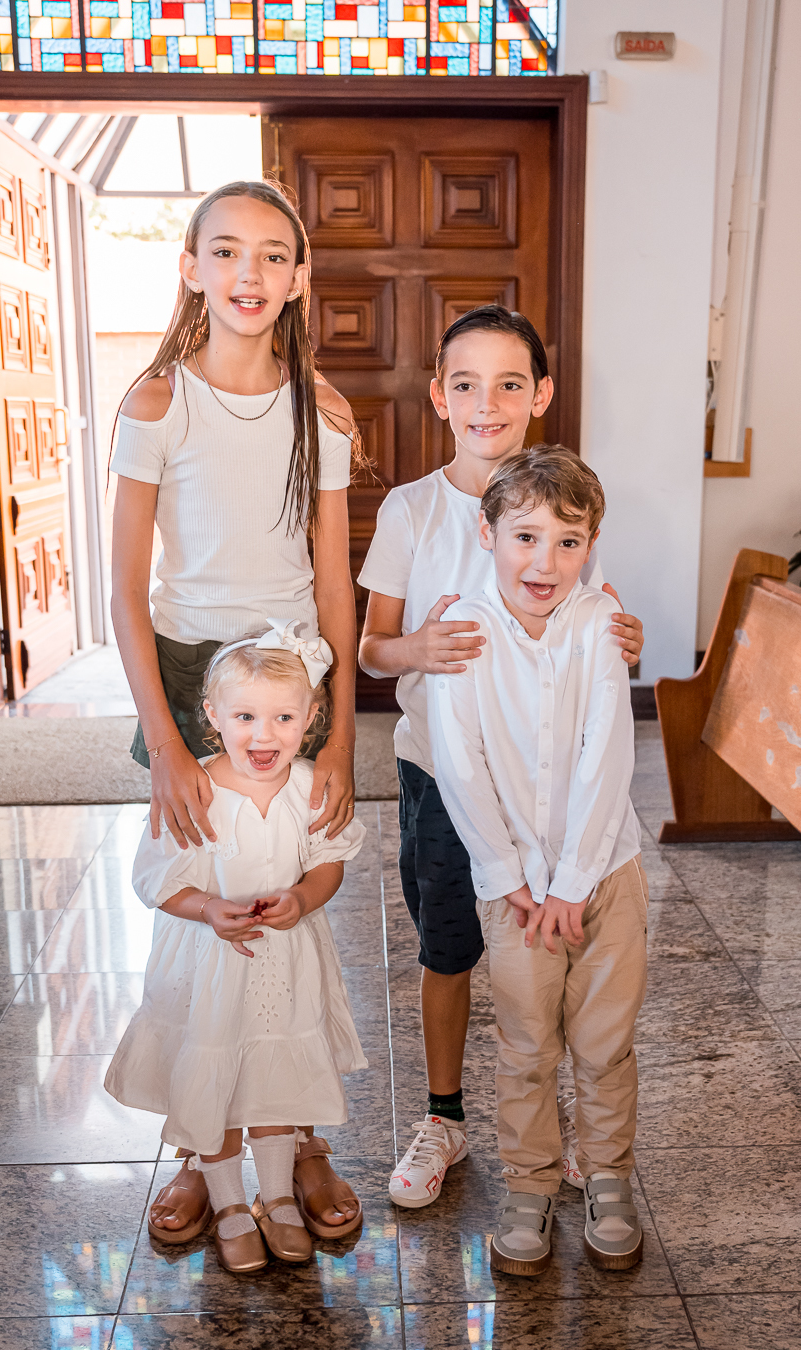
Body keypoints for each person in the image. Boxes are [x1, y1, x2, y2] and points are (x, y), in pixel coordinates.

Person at [109, 180, 362, 1241]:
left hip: (296, 673)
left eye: (271, 254)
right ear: (191, 268)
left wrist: (342, 735)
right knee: (206, 909)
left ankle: (295, 1134)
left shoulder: (323, 409)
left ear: (298, 277)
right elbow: (124, 591)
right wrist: (170, 744)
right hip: (188, 671)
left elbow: (334, 576)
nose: (248, 273)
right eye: (225, 251)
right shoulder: (157, 402)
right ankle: (200, 1144)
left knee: (290, 895)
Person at [357, 306, 644, 1208]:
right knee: (449, 947)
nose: (489, 403)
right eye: (468, 384)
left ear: (540, 395)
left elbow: (589, 621)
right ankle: (444, 1118)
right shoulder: (411, 509)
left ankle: (558, 1138)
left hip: (547, 782)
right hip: (444, 772)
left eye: (510, 383)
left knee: (554, 961)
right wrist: (418, 648)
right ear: (440, 397)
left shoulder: (564, 503)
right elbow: (370, 648)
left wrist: (623, 636)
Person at [428, 447, 648, 1276]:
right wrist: (511, 876)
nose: (544, 563)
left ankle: (609, 1176)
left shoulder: (598, 624)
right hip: (515, 890)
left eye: (567, 542)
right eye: (525, 537)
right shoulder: (463, 632)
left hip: (606, 875)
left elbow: (605, 756)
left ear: (591, 546)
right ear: (487, 534)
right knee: (525, 1044)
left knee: (605, 1041)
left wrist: (574, 882)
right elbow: (462, 764)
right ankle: (529, 1183)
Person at [105, 626, 367, 1272]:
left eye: (283, 718)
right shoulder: (194, 789)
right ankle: (226, 1202)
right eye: (245, 717)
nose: (263, 735)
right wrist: (206, 907)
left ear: (311, 718)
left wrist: (303, 897)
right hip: (208, 967)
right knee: (213, 1079)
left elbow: (329, 862)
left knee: (273, 1081)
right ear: (213, 716)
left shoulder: (310, 786)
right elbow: (158, 880)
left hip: (285, 965)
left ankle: (276, 1198)